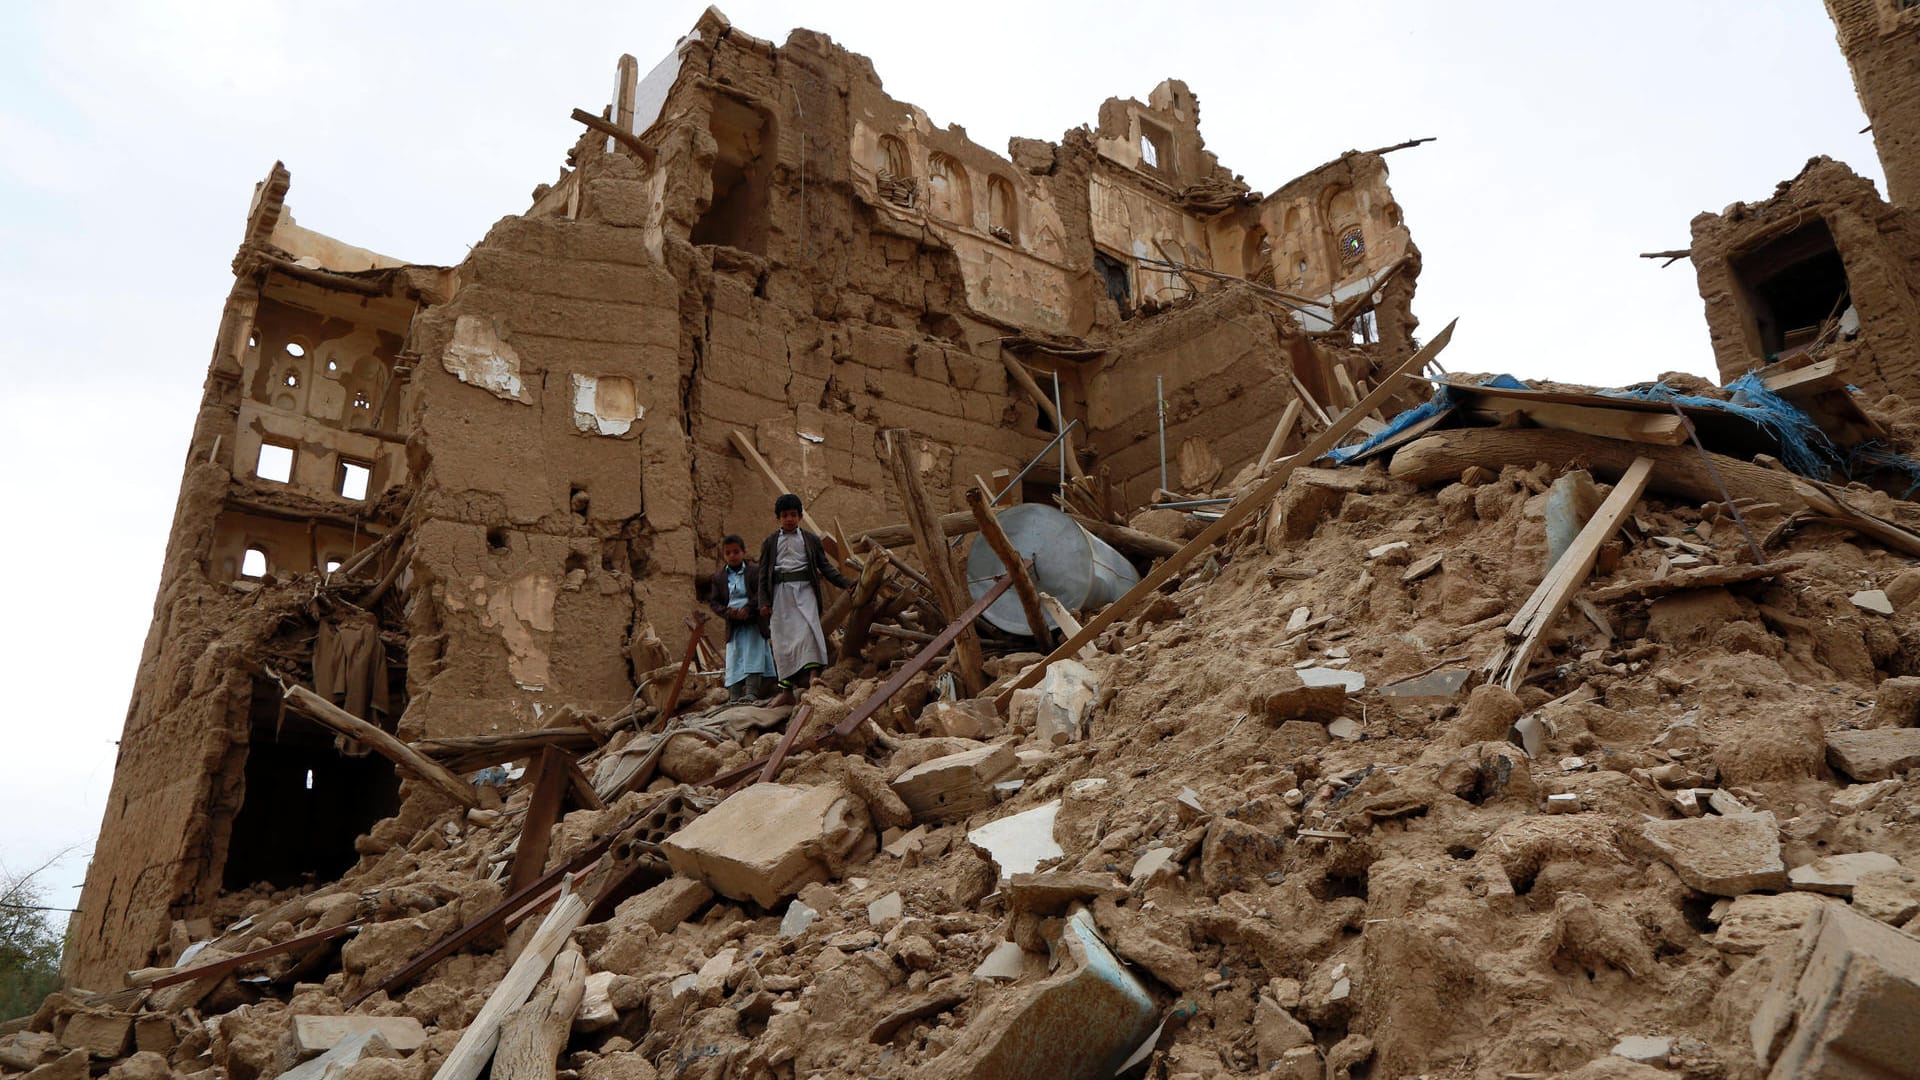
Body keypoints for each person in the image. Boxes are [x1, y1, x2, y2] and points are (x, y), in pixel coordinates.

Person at [755, 493, 853, 692]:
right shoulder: (770, 542)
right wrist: (763, 601)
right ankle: (786, 690)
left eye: (793, 514)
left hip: (805, 591)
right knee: (783, 641)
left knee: (809, 632)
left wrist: (846, 583)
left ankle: (813, 677)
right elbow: (763, 574)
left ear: (800, 516)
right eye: (784, 515)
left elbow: (825, 567)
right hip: (780, 595)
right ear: (778, 518)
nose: (789, 519)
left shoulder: (810, 540)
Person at [708, 535, 776, 701]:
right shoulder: (719, 578)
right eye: (728, 553)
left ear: (743, 552)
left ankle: (751, 692)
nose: (732, 556)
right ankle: (734, 696)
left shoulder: (754, 571)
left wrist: (748, 609)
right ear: (724, 555)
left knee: (754, 655)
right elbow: (715, 603)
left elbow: (762, 593)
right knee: (734, 658)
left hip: (753, 622)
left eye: (736, 551)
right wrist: (728, 612)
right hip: (734, 625)